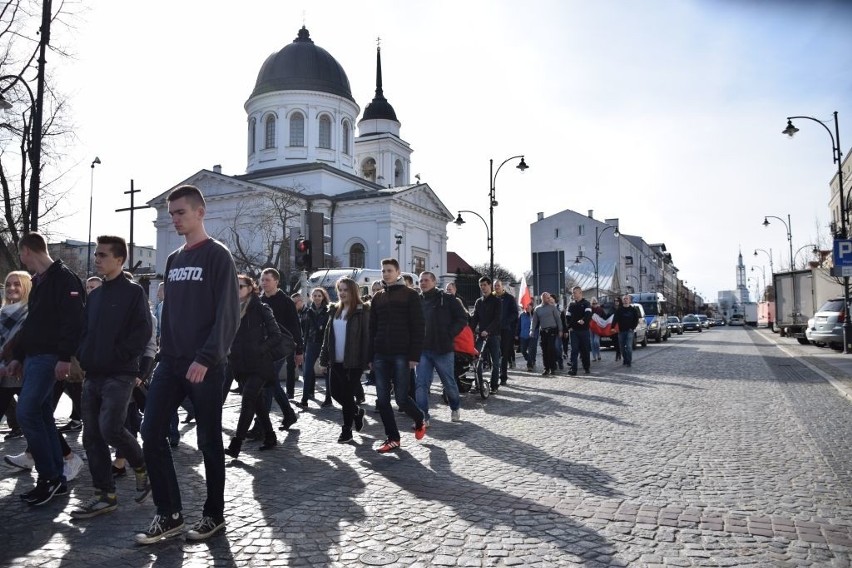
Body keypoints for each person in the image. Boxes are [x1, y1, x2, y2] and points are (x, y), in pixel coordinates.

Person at [136, 185, 239, 544]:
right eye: (171, 213)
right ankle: (170, 513)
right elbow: (173, 314)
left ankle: (214, 514)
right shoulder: (174, 259)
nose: (174, 219)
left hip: (206, 366)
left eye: (180, 212)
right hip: (171, 362)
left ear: (200, 212)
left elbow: (228, 314)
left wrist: (207, 358)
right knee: (150, 434)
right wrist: (164, 354)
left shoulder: (218, 256)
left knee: (210, 440)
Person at [70, 236, 153, 519]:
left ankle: (142, 466)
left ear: (119, 259)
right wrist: (83, 355)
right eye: (96, 254)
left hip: (121, 373)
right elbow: (84, 331)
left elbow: (142, 331)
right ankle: (105, 495)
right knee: (91, 436)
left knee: (110, 428)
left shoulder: (133, 292)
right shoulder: (94, 295)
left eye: (103, 255)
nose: (97, 259)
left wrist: (118, 355)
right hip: (93, 373)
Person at [6, 232, 85, 507]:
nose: (22, 259)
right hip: (35, 357)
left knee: (27, 412)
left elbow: (73, 322)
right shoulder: (40, 282)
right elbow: (32, 325)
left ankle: (49, 477)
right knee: (40, 415)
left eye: (21, 254)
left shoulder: (64, 279)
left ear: (27, 251)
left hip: (49, 357)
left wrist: (64, 357)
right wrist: (18, 355)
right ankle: (56, 479)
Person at [369, 258, 426, 453]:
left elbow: (418, 326)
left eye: (389, 270)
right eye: (383, 270)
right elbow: (372, 328)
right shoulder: (377, 297)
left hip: (402, 353)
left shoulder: (410, 295)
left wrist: (414, 355)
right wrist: (370, 356)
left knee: (402, 399)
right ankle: (393, 438)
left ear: (398, 272)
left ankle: (419, 418)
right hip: (381, 354)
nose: (385, 274)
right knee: (382, 399)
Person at [224, 275, 284, 458]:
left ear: (250, 287)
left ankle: (236, 443)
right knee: (257, 403)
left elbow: (276, 335)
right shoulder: (231, 308)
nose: (237, 289)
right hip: (239, 366)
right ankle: (271, 436)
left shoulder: (261, 307)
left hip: (259, 365)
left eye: (241, 286)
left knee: (247, 400)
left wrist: (260, 349)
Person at [318, 277, 370, 443]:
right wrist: (324, 358)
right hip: (336, 361)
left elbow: (367, 338)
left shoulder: (362, 311)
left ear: (353, 291)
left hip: (354, 362)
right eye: (339, 289)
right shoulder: (334, 310)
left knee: (347, 395)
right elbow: (328, 337)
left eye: (345, 289)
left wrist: (368, 360)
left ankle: (347, 429)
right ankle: (356, 412)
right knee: (335, 393)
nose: (341, 293)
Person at [415, 271, 468, 425]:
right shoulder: (417, 301)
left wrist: (449, 333)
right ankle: (423, 417)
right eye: (420, 281)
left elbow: (463, 318)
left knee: (449, 383)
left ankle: (455, 407)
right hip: (423, 349)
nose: (422, 283)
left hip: (443, 349)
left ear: (434, 281)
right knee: (421, 384)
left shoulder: (448, 299)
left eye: (426, 280)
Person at [258, 268, 300, 430]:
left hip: (280, 347)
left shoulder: (286, 301)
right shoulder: (259, 300)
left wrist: (299, 351)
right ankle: (289, 414)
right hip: (262, 347)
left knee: (266, 384)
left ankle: (261, 425)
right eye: (262, 279)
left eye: (267, 280)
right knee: (271, 382)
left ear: (276, 281)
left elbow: (295, 327)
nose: (263, 283)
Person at [0, 271, 32, 441]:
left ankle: (67, 456)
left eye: (17, 284)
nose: (11, 288)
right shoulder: (2, 312)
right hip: (3, 373)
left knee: (37, 418)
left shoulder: (31, 313)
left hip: (22, 371)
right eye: (9, 284)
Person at [299, 287, 331, 408]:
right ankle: (304, 399)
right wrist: (304, 344)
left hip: (324, 345)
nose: (317, 298)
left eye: (319, 295)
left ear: (323, 297)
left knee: (326, 372)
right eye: (315, 295)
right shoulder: (308, 311)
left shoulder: (328, 310)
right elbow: (305, 329)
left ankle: (328, 398)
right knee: (307, 372)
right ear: (311, 297)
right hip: (310, 344)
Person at [469, 276, 502, 393]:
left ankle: (494, 386)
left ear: (490, 286)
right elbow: (475, 319)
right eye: (481, 285)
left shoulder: (497, 301)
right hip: (481, 336)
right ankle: (479, 385)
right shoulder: (479, 302)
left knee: (495, 362)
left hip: (494, 335)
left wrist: (488, 330)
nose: (483, 287)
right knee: (476, 360)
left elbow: (497, 319)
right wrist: (470, 331)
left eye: (485, 285)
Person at [493, 280, 519, 385]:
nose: (496, 288)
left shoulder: (509, 298)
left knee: (504, 354)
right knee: (494, 353)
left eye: (498, 286)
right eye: (495, 286)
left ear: (502, 286)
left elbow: (514, 314)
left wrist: (505, 322)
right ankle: (494, 375)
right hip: (493, 330)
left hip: (505, 330)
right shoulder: (491, 297)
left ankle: (503, 376)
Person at [531, 292, 562, 376]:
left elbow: (558, 319)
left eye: (549, 298)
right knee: (544, 350)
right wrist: (532, 330)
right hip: (543, 331)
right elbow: (534, 321)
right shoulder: (537, 309)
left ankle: (553, 368)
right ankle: (546, 368)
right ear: (543, 299)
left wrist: (560, 330)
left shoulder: (553, 307)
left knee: (550, 348)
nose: (549, 299)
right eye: (547, 298)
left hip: (552, 330)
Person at [566, 286, 592, 376]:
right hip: (574, 331)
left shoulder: (586, 303)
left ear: (580, 293)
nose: (573, 294)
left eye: (575, 292)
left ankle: (586, 367)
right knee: (574, 350)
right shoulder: (571, 304)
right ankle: (573, 369)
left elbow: (588, 314)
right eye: (573, 293)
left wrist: (584, 320)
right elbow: (567, 317)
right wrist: (569, 327)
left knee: (585, 350)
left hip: (584, 331)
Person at [615, 294, 640, 367]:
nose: (625, 300)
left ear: (629, 300)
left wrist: (632, 327)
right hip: (621, 331)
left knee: (629, 346)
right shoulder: (619, 310)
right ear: (622, 301)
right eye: (624, 299)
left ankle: (629, 361)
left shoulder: (633, 310)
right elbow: (615, 319)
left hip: (629, 331)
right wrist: (613, 327)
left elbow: (636, 320)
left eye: (627, 299)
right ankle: (625, 359)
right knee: (622, 347)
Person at [517, 302, 535, 371]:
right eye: (526, 306)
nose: (527, 307)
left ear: (531, 307)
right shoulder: (522, 315)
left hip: (531, 336)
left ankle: (529, 365)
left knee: (530, 351)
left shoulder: (534, 315)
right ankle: (530, 360)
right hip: (523, 336)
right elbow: (519, 326)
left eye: (529, 306)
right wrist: (517, 334)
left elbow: (537, 325)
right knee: (523, 350)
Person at [590, 298, 605, 362]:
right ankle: (594, 357)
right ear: (591, 304)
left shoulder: (600, 309)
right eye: (593, 303)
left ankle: (598, 354)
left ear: (597, 303)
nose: (594, 304)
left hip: (597, 328)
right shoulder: (589, 309)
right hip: (590, 328)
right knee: (592, 342)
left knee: (596, 341)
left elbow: (604, 316)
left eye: (595, 303)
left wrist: (602, 321)